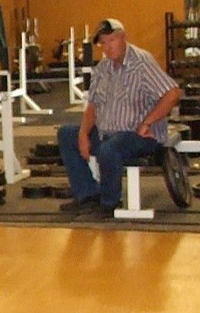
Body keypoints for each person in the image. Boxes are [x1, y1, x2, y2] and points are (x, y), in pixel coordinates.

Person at [57, 18, 183, 218]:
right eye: (103, 43)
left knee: (110, 149)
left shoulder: (141, 63)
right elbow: (93, 105)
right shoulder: (103, 68)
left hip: (140, 135)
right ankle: (88, 196)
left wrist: (147, 122)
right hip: (108, 132)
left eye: (112, 40)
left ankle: (109, 203)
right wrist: (82, 133)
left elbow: (173, 94)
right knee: (66, 134)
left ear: (123, 38)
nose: (107, 47)